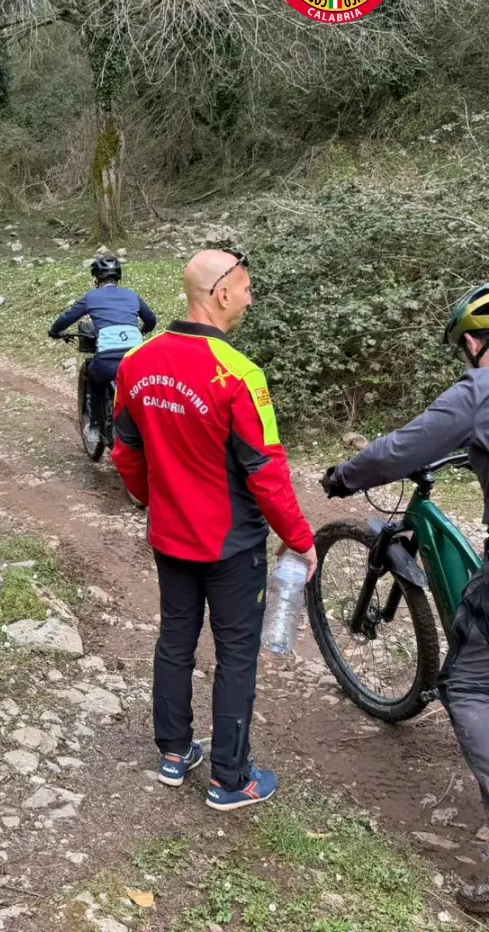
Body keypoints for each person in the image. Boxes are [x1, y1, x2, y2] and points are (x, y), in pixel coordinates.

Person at [111, 247, 316, 810]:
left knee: (176, 640)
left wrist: (152, 499)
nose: (250, 298)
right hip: (232, 546)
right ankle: (231, 778)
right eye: (246, 288)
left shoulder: (137, 362)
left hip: (169, 535)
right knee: (236, 654)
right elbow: (266, 471)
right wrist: (300, 539)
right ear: (222, 293)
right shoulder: (241, 376)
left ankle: (174, 753)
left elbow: (125, 449)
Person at [322, 283, 489, 914]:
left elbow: (403, 449)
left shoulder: (480, 390)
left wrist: (345, 476)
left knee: (468, 685)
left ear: (475, 342)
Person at [48, 256, 157, 438]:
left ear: (96, 279)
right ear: (118, 277)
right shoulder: (131, 295)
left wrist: (54, 331)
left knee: (94, 375)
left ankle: (94, 426)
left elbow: (67, 317)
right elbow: (151, 320)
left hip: (108, 361)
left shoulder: (91, 297)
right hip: (137, 360)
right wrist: (142, 330)